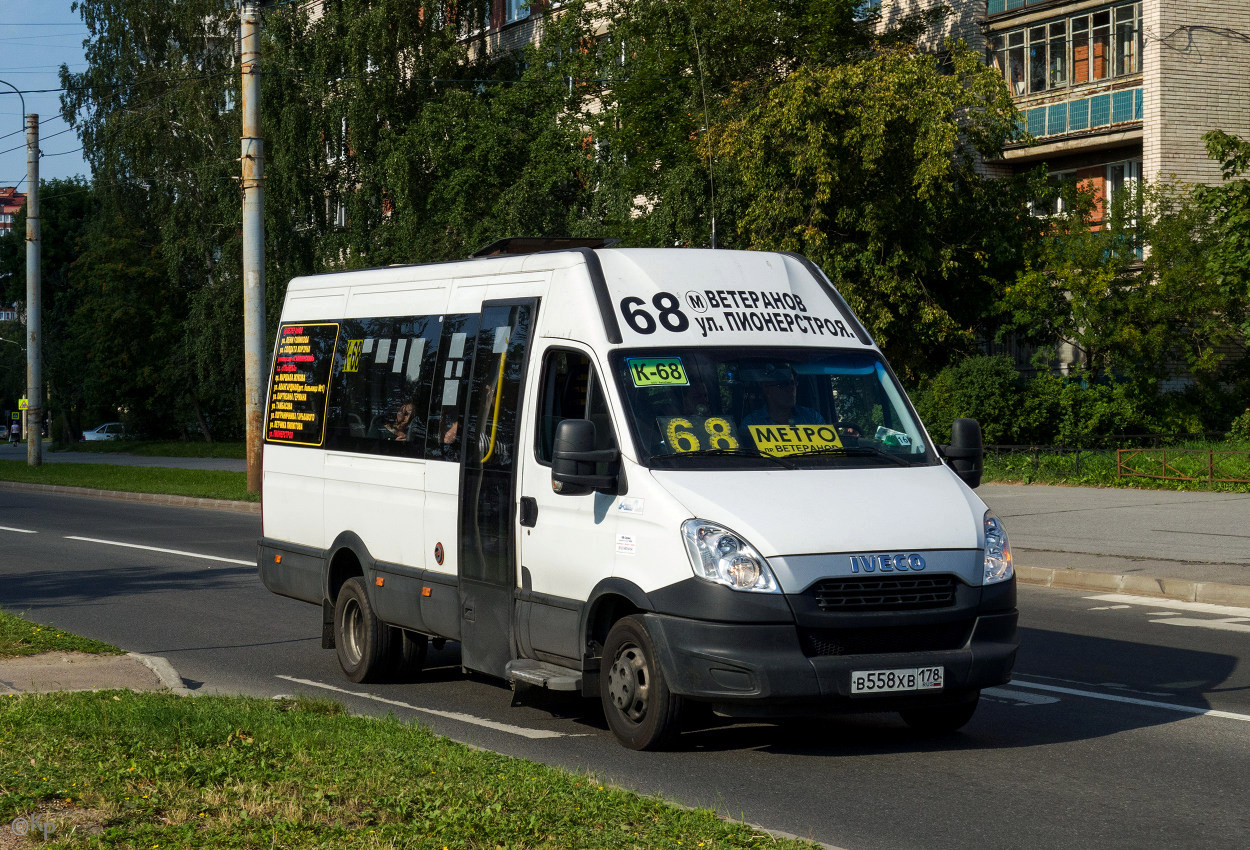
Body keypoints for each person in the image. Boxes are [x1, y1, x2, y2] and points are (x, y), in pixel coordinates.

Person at [740, 365, 824, 428]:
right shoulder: (752, 423)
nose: (791, 388)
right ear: (767, 389)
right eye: (783, 384)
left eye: (793, 383)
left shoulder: (812, 418)